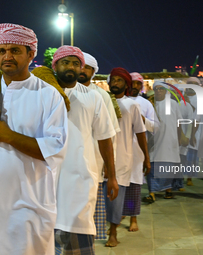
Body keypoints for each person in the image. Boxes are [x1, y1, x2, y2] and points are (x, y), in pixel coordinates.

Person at [0, 23, 68, 255]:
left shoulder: (48, 95)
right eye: (2, 51)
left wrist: (9, 136)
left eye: (15, 50)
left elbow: (54, 148)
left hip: (27, 204)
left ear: (31, 54)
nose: (7, 56)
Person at [51, 46, 119, 255]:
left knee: (78, 236)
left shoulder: (94, 97)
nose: (71, 67)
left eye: (75, 63)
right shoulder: (43, 93)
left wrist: (112, 175)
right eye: (65, 62)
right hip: (45, 176)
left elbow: (105, 138)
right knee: (45, 234)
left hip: (80, 177)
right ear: (55, 66)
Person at [77, 51, 121, 240]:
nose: (82, 70)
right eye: (81, 65)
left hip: (94, 161)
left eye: (87, 67)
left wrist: (110, 169)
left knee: (89, 212)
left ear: (93, 71)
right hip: (68, 163)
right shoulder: (62, 92)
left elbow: (111, 135)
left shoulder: (101, 95)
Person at [105, 67, 150, 247]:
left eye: (119, 80)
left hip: (122, 157)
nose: (115, 83)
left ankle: (113, 233)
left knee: (115, 198)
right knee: (100, 198)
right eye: (113, 80)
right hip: (99, 156)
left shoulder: (132, 106)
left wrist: (146, 158)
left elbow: (140, 133)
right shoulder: (101, 101)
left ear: (126, 84)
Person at [121, 72, 159, 232]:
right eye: (133, 83)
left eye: (138, 84)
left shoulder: (146, 104)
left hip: (137, 150)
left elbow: (156, 127)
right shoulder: (118, 101)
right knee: (118, 185)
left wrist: (143, 120)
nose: (135, 86)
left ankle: (133, 218)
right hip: (119, 149)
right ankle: (118, 214)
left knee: (134, 186)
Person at [143, 81, 183, 203]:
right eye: (157, 89)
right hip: (154, 140)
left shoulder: (173, 104)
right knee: (153, 165)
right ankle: (152, 192)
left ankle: (168, 190)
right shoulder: (150, 104)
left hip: (170, 139)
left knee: (169, 165)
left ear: (166, 91)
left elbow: (178, 122)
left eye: (161, 89)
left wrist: (181, 137)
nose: (159, 91)